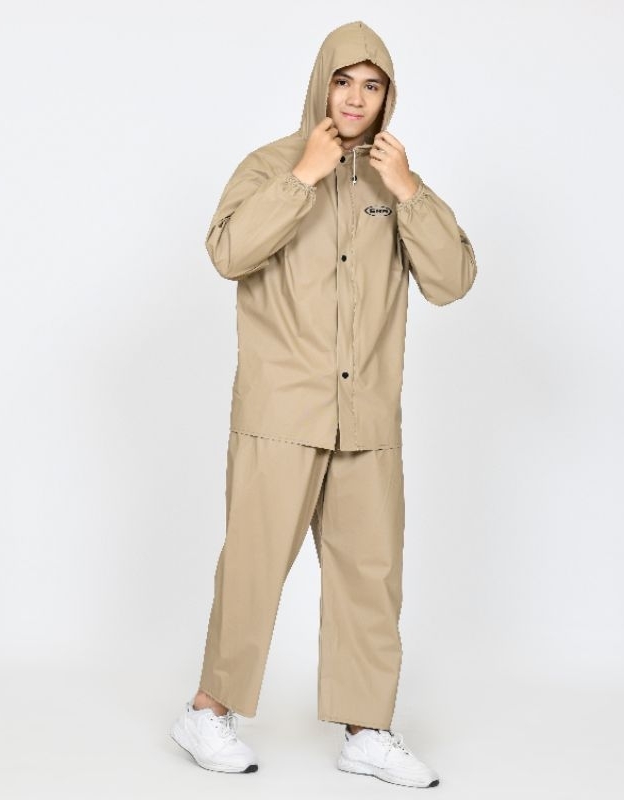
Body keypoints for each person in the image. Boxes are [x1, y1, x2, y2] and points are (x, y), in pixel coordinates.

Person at [169, 20, 476, 789]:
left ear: (388, 97)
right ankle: (207, 712)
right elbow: (228, 252)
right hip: (280, 413)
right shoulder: (271, 164)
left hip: (366, 416)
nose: (356, 98)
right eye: (344, 81)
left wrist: (409, 193)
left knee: (371, 576)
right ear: (322, 84)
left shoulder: (395, 181)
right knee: (254, 567)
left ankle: (367, 730)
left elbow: (452, 280)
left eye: (372, 86)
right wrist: (303, 177)